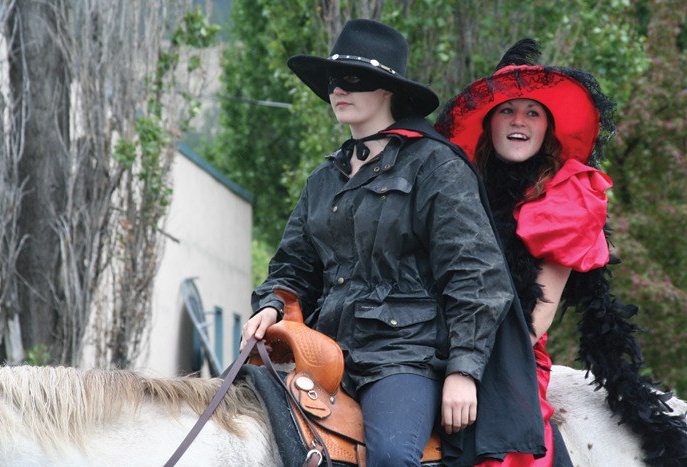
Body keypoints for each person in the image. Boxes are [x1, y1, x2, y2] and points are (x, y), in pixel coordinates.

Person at [241, 20, 545, 466]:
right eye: (333, 80)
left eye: (355, 80)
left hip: (405, 357)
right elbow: (293, 267)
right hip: (325, 353)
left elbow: (476, 275)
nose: (338, 90)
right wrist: (270, 304)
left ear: (387, 91)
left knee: (391, 457)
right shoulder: (323, 180)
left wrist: (463, 369)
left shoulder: (435, 165)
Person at [436, 38, 687, 466]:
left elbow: (533, 323)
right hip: (436, 343)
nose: (519, 120)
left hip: (507, 360)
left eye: (532, 112)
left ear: (546, 128)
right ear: (490, 124)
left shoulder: (564, 197)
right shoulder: (461, 192)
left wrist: (465, 365)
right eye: (507, 110)